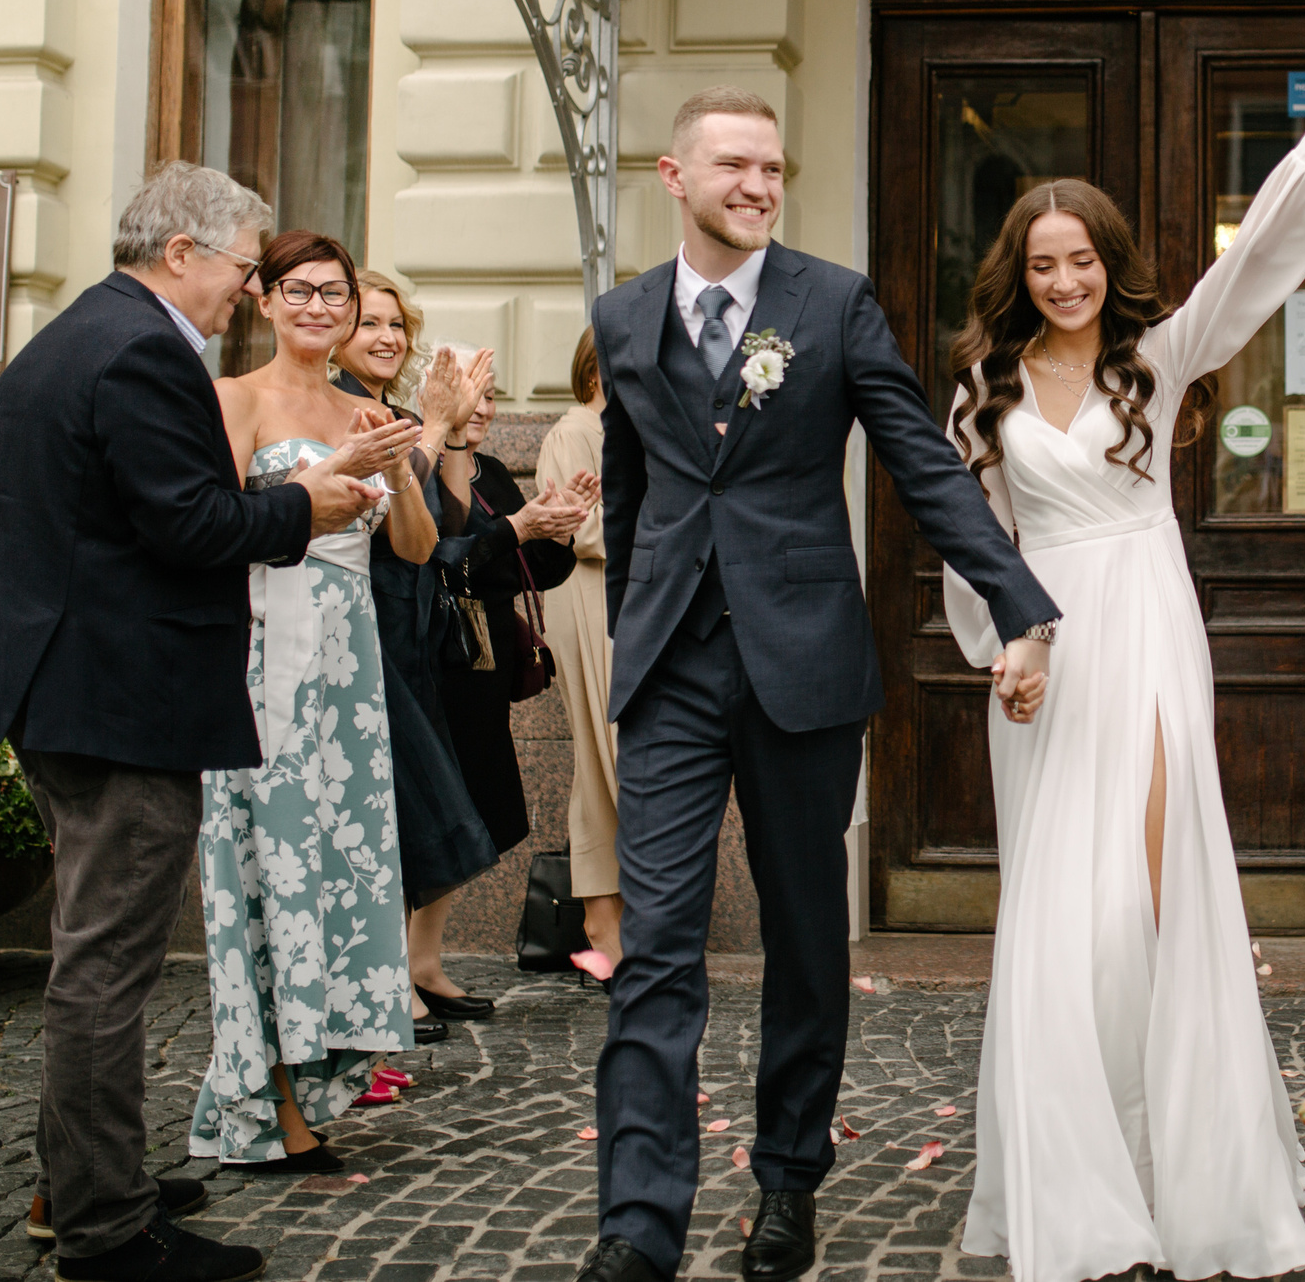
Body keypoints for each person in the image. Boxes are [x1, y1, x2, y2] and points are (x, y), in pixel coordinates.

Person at [940, 45, 1305, 1282]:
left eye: (1080, 261)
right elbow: (972, 540)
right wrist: (1003, 649)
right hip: (1043, 648)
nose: (1062, 282)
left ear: (1109, 263)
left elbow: (1257, 253)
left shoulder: (1160, 354)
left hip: (1146, 628)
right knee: (1056, 916)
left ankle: (1172, 1166)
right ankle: (1078, 1180)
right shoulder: (981, 390)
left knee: (1140, 905)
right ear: (1017, 274)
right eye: (1041, 266)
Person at [582, 86, 1059, 1282]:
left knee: (805, 939)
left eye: (772, 168)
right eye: (733, 165)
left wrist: (1019, 602)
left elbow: (922, 466)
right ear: (673, 177)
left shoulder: (830, 302)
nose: (756, 185)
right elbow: (639, 499)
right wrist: (632, 636)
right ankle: (637, 1224)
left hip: (801, 667)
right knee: (657, 950)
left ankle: (787, 1183)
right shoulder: (626, 314)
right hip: (674, 675)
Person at [0, 165, 374, 1282]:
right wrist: (308, 507)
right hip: (117, 700)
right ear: (181, 251)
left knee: (89, 954)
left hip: (63, 688)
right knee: (103, 970)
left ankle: (83, 1179)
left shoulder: (67, 334)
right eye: (244, 268)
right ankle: (101, 1229)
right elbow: (187, 522)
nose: (246, 292)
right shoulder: (142, 349)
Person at [189, 230, 442, 1174]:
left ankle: (321, 1064)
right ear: (266, 300)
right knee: (271, 873)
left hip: (350, 665)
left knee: (342, 869)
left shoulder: (364, 407)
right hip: (263, 655)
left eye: (335, 294)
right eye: (300, 291)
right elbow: (213, 525)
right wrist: (323, 475)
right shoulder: (234, 400)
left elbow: (411, 549)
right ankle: (268, 1099)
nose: (319, 309)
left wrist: (400, 464)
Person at [332, 273, 502, 1046]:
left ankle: (400, 974)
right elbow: (387, 530)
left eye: (397, 325)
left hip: (413, 634)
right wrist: (434, 429)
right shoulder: (339, 410)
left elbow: (438, 529)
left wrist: (451, 432)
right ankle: (381, 983)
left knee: (408, 813)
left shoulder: (400, 415)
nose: (387, 338)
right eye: (370, 322)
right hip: (359, 630)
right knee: (384, 811)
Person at [420, 384, 594, 1016]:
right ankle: (397, 973)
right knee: (429, 810)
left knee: (475, 808)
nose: (486, 406)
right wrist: (515, 530)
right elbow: (443, 561)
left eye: (492, 394)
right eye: (473, 393)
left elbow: (536, 570)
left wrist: (560, 527)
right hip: (430, 655)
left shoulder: (491, 470)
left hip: (483, 658)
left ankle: (424, 962)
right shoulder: (418, 456)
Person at [541, 327, 621, 962]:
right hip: (590, 598)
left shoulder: (620, 431)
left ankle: (614, 924)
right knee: (603, 757)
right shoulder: (576, 429)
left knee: (617, 763)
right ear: (597, 371)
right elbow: (580, 527)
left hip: (622, 601)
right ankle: (602, 924)